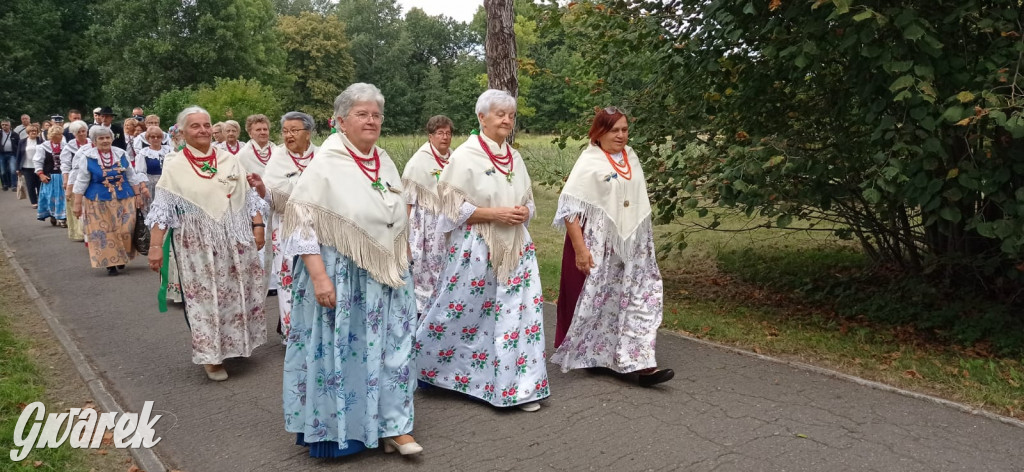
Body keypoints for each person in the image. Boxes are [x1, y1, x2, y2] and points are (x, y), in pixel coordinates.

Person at [281, 83, 421, 457]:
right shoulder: (325, 164)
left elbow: (397, 211)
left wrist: (402, 253)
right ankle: (343, 432)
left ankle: (393, 425)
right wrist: (319, 278)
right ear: (341, 121)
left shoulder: (384, 160)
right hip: (341, 272)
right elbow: (301, 223)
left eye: (376, 114)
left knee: (394, 347)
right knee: (345, 350)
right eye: (362, 113)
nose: (371, 120)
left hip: (386, 274)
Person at [414, 89, 549, 412]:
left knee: (519, 313)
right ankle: (435, 368)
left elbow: (529, 201)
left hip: (516, 247)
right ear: (481, 117)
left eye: (511, 115)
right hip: (476, 246)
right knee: (462, 309)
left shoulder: (514, 157)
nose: (506, 119)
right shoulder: (465, 156)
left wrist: (522, 213)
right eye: (500, 113)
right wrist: (494, 214)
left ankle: (518, 386)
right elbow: (450, 209)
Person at [549, 107, 674, 386]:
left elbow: (638, 202)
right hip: (600, 244)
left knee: (640, 296)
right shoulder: (589, 161)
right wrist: (581, 250)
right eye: (614, 130)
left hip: (634, 246)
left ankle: (641, 363)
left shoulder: (631, 157)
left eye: (625, 129)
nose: (621, 135)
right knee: (602, 299)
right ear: (599, 132)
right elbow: (570, 209)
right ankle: (597, 356)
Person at [146, 106, 267, 381]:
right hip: (197, 244)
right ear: (182, 132)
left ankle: (236, 345)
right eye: (195, 126)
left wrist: (258, 227)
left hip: (235, 239)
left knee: (237, 294)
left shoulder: (229, 159)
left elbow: (248, 197)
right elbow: (162, 209)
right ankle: (211, 357)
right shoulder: (174, 165)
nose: (202, 130)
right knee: (205, 299)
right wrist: (155, 248)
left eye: (206, 125)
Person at [247, 112, 318, 339]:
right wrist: (261, 188)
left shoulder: (323, 156)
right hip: (286, 226)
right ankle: (293, 334)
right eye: (285, 131)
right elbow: (271, 197)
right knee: (288, 280)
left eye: (294, 130)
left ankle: (317, 331)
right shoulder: (278, 157)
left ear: (308, 133)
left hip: (318, 228)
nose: (288, 135)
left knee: (318, 277)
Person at [71, 126, 148, 276]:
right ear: (94, 141)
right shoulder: (88, 157)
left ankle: (121, 256)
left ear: (112, 139)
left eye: (107, 137)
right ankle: (111, 263)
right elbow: (81, 182)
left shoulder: (121, 154)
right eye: (101, 138)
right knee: (105, 232)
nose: (105, 141)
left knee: (126, 230)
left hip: (124, 197)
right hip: (98, 201)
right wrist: (77, 204)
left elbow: (132, 176)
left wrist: (138, 195)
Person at [401, 115, 454, 315]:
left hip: (449, 219)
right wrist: (403, 232)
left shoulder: (454, 157)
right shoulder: (418, 162)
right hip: (425, 222)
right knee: (424, 265)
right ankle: (421, 307)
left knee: (447, 263)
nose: (445, 137)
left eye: (448, 133)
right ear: (430, 136)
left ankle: (445, 303)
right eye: (440, 133)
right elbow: (406, 200)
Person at [61, 120, 90, 241]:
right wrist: (66, 181)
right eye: (79, 132)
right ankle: (80, 232)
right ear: (74, 134)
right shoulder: (69, 146)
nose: (82, 134)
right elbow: (66, 166)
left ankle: (89, 231)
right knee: (78, 204)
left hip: (90, 176)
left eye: (83, 131)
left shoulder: (91, 142)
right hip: (76, 177)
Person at [34, 126, 67, 226]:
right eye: (59, 134)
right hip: (50, 176)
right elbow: (37, 161)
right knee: (50, 197)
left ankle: (62, 218)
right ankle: (52, 215)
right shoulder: (43, 147)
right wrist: (41, 174)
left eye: (61, 134)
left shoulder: (65, 146)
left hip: (63, 176)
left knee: (63, 197)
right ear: (52, 136)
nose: (61, 136)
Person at [135, 125, 171, 213]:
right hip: (150, 185)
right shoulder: (143, 153)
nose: (156, 139)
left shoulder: (169, 150)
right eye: (153, 137)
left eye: (158, 137)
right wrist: (143, 188)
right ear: (148, 139)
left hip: (167, 185)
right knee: (152, 212)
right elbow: (140, 172)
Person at [17, 124, 43, 207]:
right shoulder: (22, 141)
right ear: (28, 132)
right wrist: (18, 168)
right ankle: (34, 202)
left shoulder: (41, 141)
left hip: (38, 167)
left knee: (40, 185)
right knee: (30, 185)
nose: (33, 132)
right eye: (31, 131)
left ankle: (40, 200)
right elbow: (19, 155)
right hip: (27, 167)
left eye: (35, 131)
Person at [0, 120, 19, 191]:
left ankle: (14, 185)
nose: (4, 126)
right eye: (3, 125)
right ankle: (5, 184)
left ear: (9, 125)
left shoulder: (14, 134)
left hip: (12, 154)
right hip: (2, 154)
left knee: (13, 169)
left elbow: (18, 144)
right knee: (3, 171)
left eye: (6, 125)